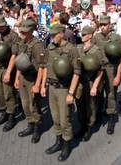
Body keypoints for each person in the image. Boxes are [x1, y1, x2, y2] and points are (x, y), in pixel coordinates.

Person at [40, 23, 81, 162]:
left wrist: (71, 93)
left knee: (65, 119)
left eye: (54, 35)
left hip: (64, 89)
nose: (51, 37)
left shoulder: (72, 50)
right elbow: (46, 67)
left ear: (62, 34)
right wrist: (43, 85)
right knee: (55, 118)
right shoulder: (50, 47)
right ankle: (58, 141)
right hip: (52, 87)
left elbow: (76, 72)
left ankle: (66, 145)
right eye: (50, 35)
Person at [14, 19, 45, 143]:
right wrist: (17, 78)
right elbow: (19, 62)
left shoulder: (38, 45)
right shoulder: (22, 43)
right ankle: (30, 124)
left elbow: (42, 66)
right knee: (25, 104)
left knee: (33, 105)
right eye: (21, 31)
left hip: (33, 78)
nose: (22, 33)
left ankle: (37, 128)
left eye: (25, 32)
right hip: (22, 77)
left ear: (32, 31)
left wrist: (38, 84)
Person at [92, 15, 121, 135]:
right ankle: (99, 115)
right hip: (99, 69)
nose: (102, 27)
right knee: (98, 93)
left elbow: (120, 59)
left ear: (110, 25)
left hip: (110, 69)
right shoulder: (96, 37)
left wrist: (118, 75)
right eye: (101, 25)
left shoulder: (116, 38)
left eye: (105, 25)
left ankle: (111, 118)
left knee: (110, 94)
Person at [75, 25, 104, 142]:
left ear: (90, 35)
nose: (81, 36)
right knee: (80, 105)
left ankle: (89, 128)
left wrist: (95, 86)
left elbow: (100, 70)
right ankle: (82, 126)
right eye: (81, 34)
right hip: (79, 82)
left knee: (90, 106)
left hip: (90, 82)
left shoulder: (96, 50)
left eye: (84, 34)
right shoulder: (78, 48)